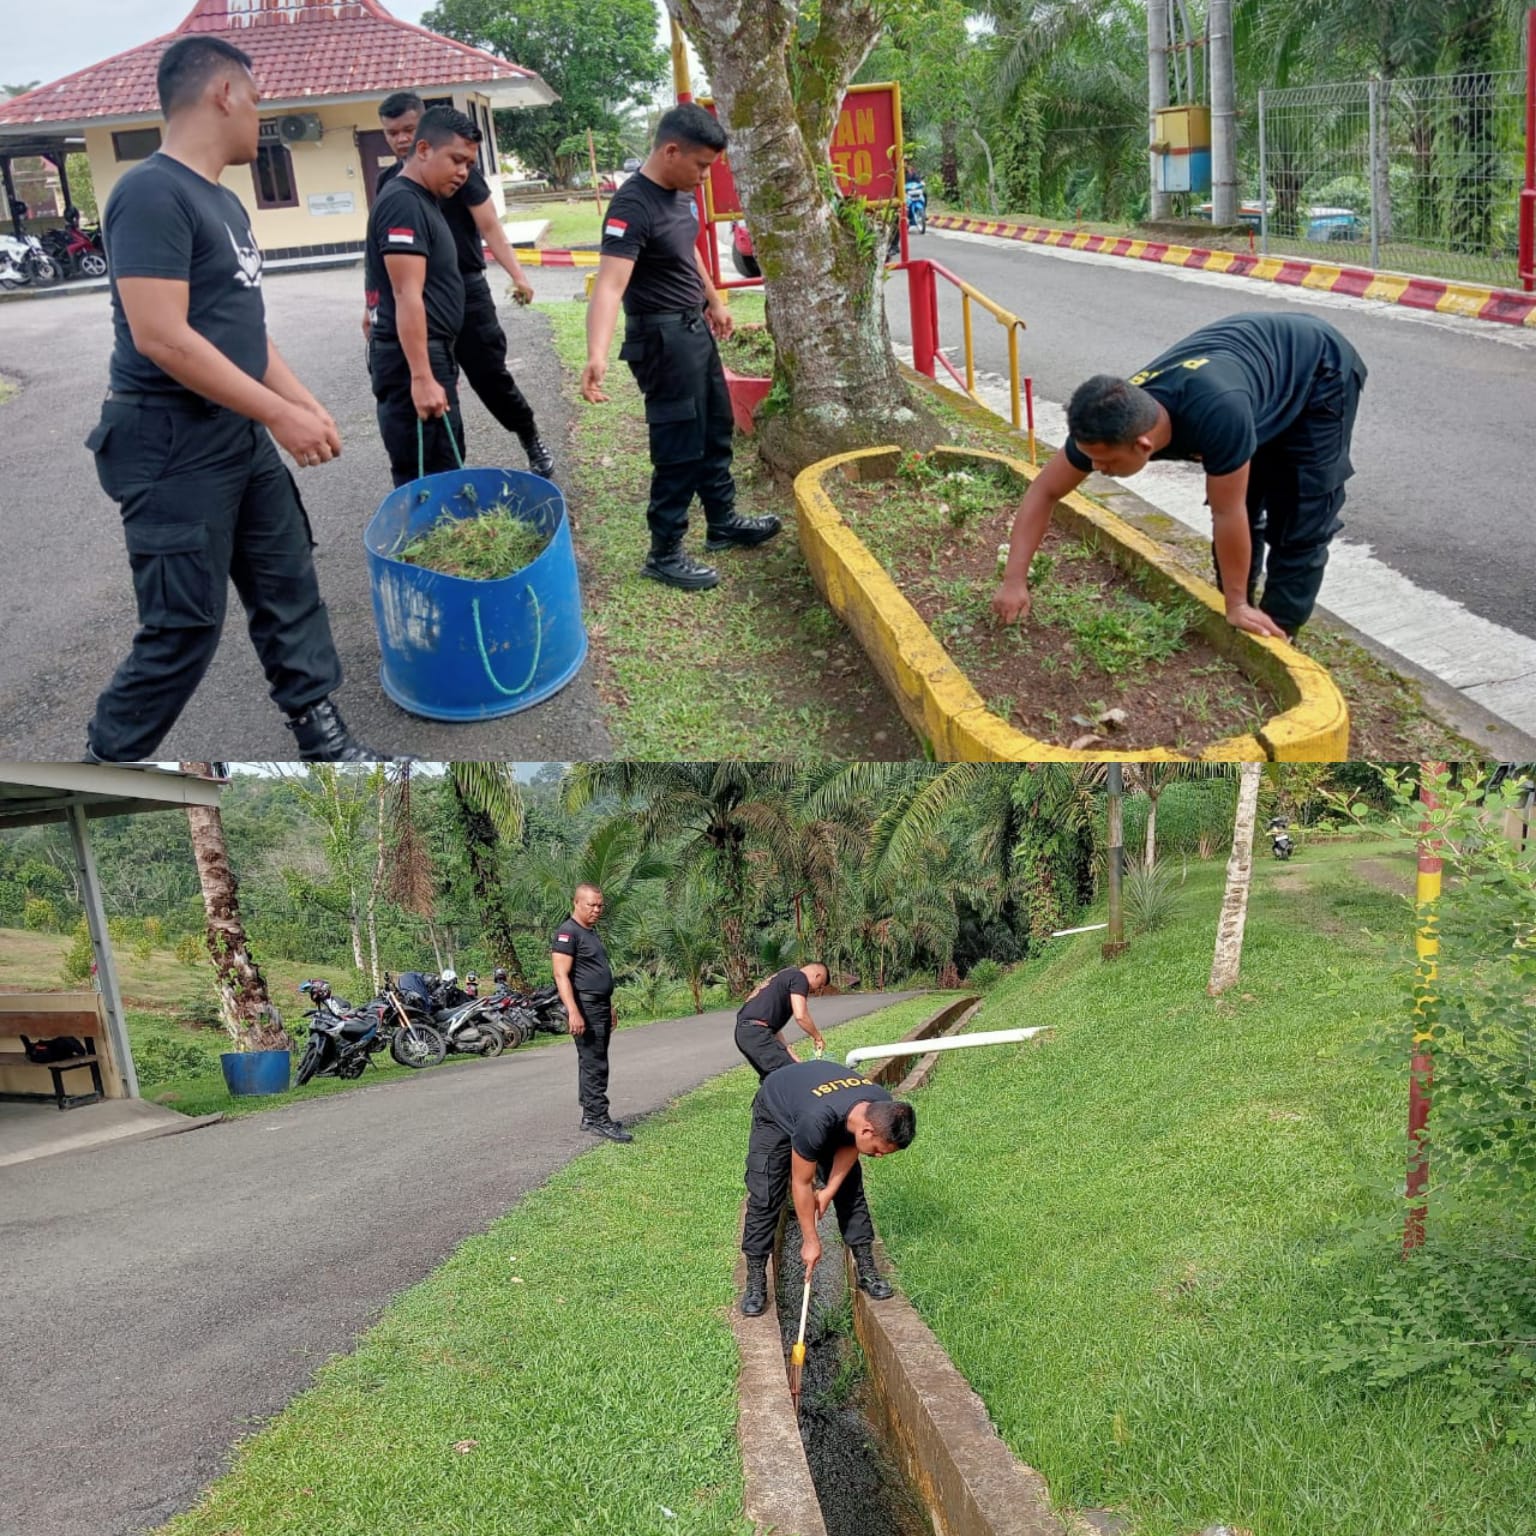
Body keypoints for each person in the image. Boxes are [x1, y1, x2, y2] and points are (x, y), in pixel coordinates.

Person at [84, 34, 377, 762]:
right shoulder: (150, 192)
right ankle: (107, 763)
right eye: (256, 99)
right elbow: (162, 337)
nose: (260, 114)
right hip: (169, 440)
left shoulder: (222, 202)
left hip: (235, 431)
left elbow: (244, 334)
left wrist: (300, 403)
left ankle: (325, 741)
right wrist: (275, 413)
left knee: (288, 585)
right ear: (223, 94)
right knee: (182, 625)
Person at [992, 312, 1367, 640]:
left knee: (1301, 511)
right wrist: (1014, 580)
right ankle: (1241, 609)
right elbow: (1044, 491)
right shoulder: (1110, 420)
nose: (1098, 469)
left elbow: (1226, 513)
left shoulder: (1218, 413)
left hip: (1319, 368)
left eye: (1105, 463)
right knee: (1246, 495)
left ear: (1142, 444)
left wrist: (1236, 604)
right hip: (1253, 370)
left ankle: (1278, 633)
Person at [581, 104, 780, 591]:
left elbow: (686, 248)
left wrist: (714, 298)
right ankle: (664, 552)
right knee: (679, 447)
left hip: (694, 329)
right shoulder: (632, 206)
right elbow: (609, 286)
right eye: (702, 166)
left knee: (715, 428)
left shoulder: (679, 194)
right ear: (670, 151)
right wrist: (597, 354)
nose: (706, 179)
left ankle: (722, 522)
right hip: (662, 340)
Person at [368, 92, 554, 479]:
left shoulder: (446, 181)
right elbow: (399, 282)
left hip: (462, 292)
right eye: (392, 133)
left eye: (407, 129)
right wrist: (374, 309)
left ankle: (529, 435)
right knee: (432, 445)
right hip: (420, 313)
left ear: (421, 130)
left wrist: (518, 274)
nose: (400, 139)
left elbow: (489, 227)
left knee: (490, 380)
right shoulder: (399, 193)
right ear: (424, 148)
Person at [739, 1059, 916, 1316]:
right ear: (867, 1130)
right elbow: (801, 1182)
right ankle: (755, 1282)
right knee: (765, 1193)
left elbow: (849, 1143)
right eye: (879, 1150)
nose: (878, 1157)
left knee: (850, 1188)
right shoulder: (816, 1121)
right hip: (777, 1107)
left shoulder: (881, 1104)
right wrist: (810, 1240)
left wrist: (829, 1190)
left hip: (818, 1101)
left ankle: (866, 1269)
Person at [364, 105, 482, 488]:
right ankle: (428, 548)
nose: (463, 173)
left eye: (469, 164)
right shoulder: (403, 202)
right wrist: (422, 376)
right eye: (457, 160)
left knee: (446, 461)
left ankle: (444, 545)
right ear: (425, 149)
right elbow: (406, 294)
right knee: (428, 476)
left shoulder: (423, 200)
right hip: (410, 359)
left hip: (432, 352)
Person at [551, 883, 632, 1142]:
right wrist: (573, 1011)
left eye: (600, 905)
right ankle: (598, 1118)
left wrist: (609, 1006)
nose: (596, 910)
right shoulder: (568, 932)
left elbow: (595, 973)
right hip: (584, 1007)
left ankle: (590, 1114)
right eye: (591, 905)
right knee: (594, 1064)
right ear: (576, 903)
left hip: (599, 1005)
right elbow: (561, 975)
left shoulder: (590, 933)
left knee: (593, 1061)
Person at [734, 962, 830, 1079]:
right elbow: (801, 1016)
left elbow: (773, 1032)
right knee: (792, 1077)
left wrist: (796, 1061)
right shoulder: (800, 977)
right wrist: (817, 1037)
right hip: (756, 1034)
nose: (815, 991)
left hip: (745, 1033)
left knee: (774, 1079)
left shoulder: (784, 976)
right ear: (817, 976)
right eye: (819, 986)